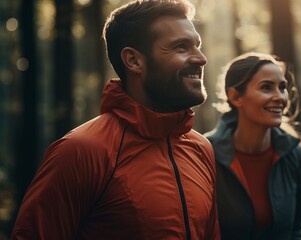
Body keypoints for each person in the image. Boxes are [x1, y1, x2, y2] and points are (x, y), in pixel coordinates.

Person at [11, 0, 220, 239]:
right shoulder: (80, 151)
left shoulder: (201, 149)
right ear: (133, 61)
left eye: (197, 46)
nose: (201, 58)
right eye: (181, 47)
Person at [206, 52, 301, 240]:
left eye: (282, 87)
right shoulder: (205, 156)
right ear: (235, 97)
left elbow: (295, 231)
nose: (280, 97)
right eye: (266, 87)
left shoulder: (298, 157)